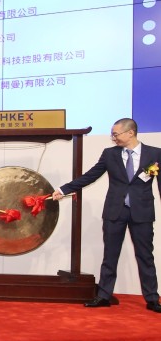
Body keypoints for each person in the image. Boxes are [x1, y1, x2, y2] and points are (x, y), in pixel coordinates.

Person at [53, 118, 161, 313]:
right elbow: (91, 175)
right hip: (114, 212)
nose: (113, 138)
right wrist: (64, 189)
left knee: (145, 256)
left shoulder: (155, 154)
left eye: (116, 134)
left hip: (142, 213)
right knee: (110, 255)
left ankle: (153, 298)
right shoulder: (110, 154)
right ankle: (103, 295)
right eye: (112, 135)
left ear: (131, 133)